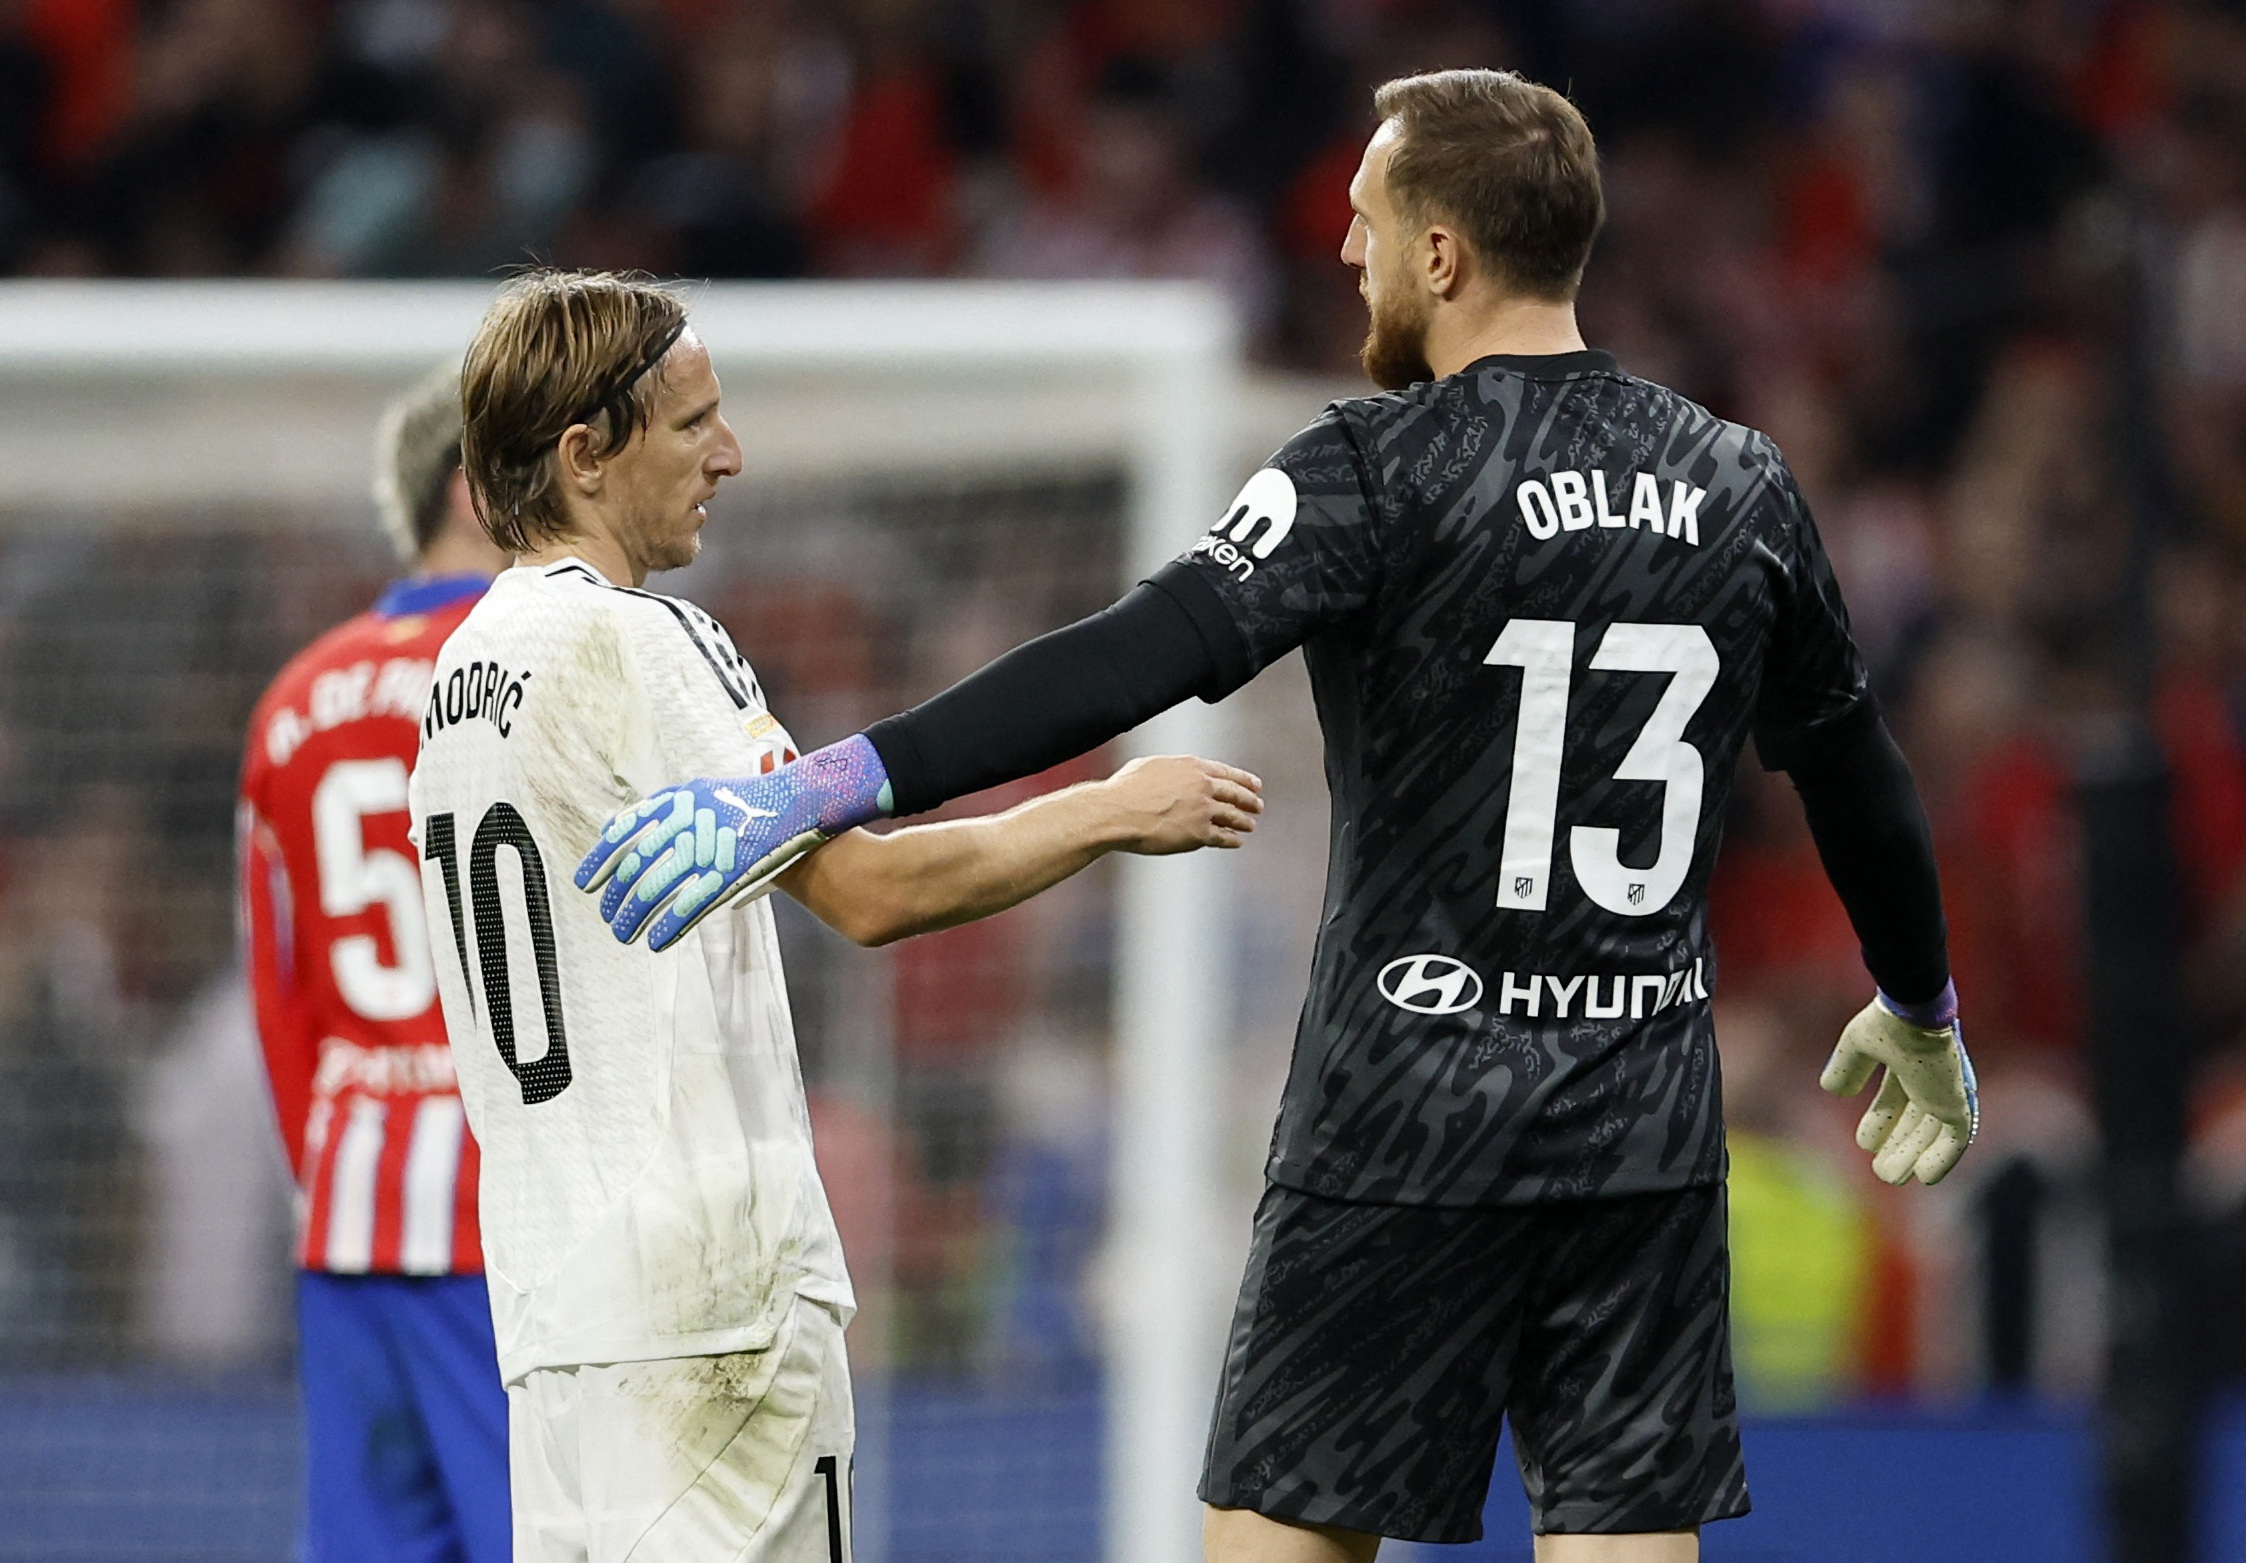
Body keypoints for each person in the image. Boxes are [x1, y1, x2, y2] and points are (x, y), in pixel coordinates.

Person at [583, 70, 1980, 1563]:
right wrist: (1919, 1000)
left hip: (1402, 1123)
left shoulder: (1381, 470)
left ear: (1442, 254)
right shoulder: (1740, 484)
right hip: (1635, 1127)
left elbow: (1132, 653)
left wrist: (832, 777)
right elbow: (1854, 773)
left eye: (1368, 218)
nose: (1343, 252)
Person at [407, 269, 1262, 1563]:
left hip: (554, 1310)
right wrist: (1104, 809)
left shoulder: (458, 678)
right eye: (691, 423)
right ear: (586, 454)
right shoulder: (641, 643)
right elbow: (863, 889)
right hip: (714, 1310)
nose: (728, 455)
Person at [238, 365, 513, 1563]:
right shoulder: (528, 666)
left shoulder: (291, 700)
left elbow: (275, 989)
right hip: (503, 1220)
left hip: (350, 1210)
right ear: (470, 485)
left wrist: (331, 1162)